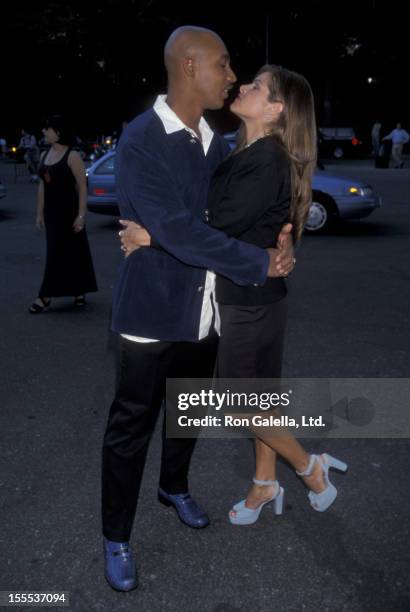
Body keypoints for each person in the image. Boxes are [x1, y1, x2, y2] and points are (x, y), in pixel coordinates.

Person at [101, 26, 295, 592]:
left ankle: (173, 486)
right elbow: (184, 230)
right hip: (149, 312)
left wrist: (279, 244)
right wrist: (258, 263)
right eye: (224, 64)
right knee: (131, 424)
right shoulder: (141, 138)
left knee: (187, 412)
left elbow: (222, 218)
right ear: (189, 66)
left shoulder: (215, 140)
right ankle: (116, 536)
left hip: (206, 310)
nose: (232, 76)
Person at [121, 65, 348, 526]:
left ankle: (310, 467)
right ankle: (265, 484)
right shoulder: (247, 150)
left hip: (248, 301)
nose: (243, 85)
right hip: (262, 293)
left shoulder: (265, 158)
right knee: (261, 398)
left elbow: (213, 227)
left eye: (257, 87)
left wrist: (153, 238)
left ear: (276, 109)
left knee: (240, 401)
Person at [29, 115, 97, 313]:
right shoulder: (44, 155)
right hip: (52, 213)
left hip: (70, 213)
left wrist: (81, 216)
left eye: (48, 129)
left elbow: (83, 188)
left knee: (66, 253)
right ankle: (78, 291)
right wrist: (39, 213)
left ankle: (45, 296)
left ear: (58, 132)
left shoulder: (72, 156)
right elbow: (42, 186)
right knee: (65, 252)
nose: (44, 132)